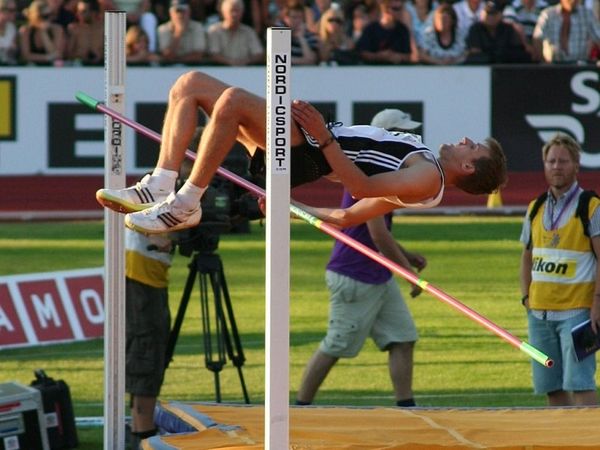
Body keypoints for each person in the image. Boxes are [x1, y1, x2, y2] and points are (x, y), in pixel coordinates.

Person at [95, 70, 507, 234]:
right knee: (190, 86)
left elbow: (359, 187)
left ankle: (185, 202)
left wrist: (323, 137)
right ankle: (160, 184)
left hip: (311, 149)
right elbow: (345, 218)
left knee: (235, 99)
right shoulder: (426, 167)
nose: (465, 138)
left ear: (469, 166)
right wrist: (289, 207)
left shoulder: (426, 180)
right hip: (310, 144)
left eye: (472, 146)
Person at [295, 109, 425, 408]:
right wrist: (410, 274)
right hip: (355, 274)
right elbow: (377, 234)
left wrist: (406, 256)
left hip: (377, 274)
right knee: (336, 345)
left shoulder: (388, 173)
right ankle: (300, 408)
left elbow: (379, 234)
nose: (410, 139)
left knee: (403, 338)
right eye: (402, 134)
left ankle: (407, 409)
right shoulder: (374, 172)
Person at [519, 133, 600, 407]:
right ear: (544, 164)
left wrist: (597, 304)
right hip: (539, 315)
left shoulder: (591, 206)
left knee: (581, 383)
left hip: (577, 313)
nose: (556, 166)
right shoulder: (535, 207)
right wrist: (526, 299)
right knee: (550, 388)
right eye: (551, 161)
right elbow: (527, 256)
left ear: (576, 164)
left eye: (563, 161)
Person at [125, 225, 173, 449]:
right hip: (141, 280)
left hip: (150, 277)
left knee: (150, 353)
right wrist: (153, 231)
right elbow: (132, 209)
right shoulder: (159, 191)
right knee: (146, 355)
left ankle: (139, 432)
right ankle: (144, 436)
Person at [532, 0, 600, 63]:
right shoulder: (548, 14)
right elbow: (537, 37)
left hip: (579, 64)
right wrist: (544, 61)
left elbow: (598, 36)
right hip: (554, 64)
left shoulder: (587, 14)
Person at [464, 0, 532, 63]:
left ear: (500, 15)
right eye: (488, 13)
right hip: (481, 70)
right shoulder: (476, 29)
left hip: (505, 68)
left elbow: (516, 51)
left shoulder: (508, 29)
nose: (490, 17)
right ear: (482, 13)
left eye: (494, 14)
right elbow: (474, 52)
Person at [355, 0, 418, 64]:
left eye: (401, 9)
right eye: (396, 9)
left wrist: (399, 57)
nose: (399, 12)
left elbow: (411, 56)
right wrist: (379, 56)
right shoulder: (370, 29)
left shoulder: (403, 30)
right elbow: (362, 53)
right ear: (385, 9)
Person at [206, 0, 264, 66]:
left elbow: (258, 54)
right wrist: (230, 62)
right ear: (223, 12)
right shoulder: (214, 31)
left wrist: (245, 61)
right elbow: (213, 54)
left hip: (245, 70)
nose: (234, 14)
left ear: (242, 12)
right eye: (231, 10)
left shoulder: (249, 31)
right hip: (219, 70)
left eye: (237, 10)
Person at [157, 0, 207, 64]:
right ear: (170, 13)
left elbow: (198, 55)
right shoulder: (163, 29)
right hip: (169, 68)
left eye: (183, 11)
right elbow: (167, 56)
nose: (180, 15)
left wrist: (177, 60)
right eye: (177, 11)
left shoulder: (198, 27)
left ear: (189, 12)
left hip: (192, 67)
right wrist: (178, 32)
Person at [19, 0, 66, 65]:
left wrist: (44, 33)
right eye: (44, 16)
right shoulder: (26, 31)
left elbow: (56, 55)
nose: (48, 19)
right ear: (34, 16)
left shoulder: (57, 30)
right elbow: (26, 56)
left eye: (50, 15)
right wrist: (46, 58)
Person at [282, 0, 320, 65]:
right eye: (294, 17)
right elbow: (278, 61)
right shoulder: (278, 35)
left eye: (300, 17)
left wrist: (301, 38)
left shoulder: (310, 37)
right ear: (286, 18)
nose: (297, 21)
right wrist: (302, 60)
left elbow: (311, 60)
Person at [66, 0, 103, 65]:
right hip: (79, 68)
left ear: (93, 13)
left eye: (83, 11)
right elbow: (67, 55)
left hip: (101, 67)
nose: (78, 14)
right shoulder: (74, 29)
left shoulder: (104, 30)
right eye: (78, 11)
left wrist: (100, 56)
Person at [0, 0, 18, 65]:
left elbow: (13, 50)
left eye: (15, 10)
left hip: (7, 66)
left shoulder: (12, 27)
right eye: (11, 10)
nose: (14, 13)